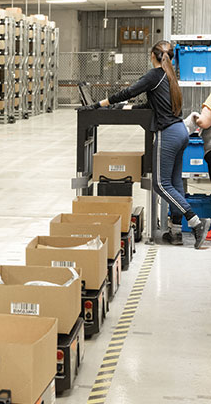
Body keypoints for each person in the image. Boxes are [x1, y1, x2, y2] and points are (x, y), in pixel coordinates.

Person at [79, 41, 211, 249]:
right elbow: (152, 105)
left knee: (160, 184)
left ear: (152, 56)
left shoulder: (154, 75)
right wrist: (125, 108)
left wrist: (99, 104)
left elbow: (128, 91)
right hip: (180, 132)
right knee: (175, 184)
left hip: (167, 134)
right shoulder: (170, 78)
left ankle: (196, 222)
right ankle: (175, 232)